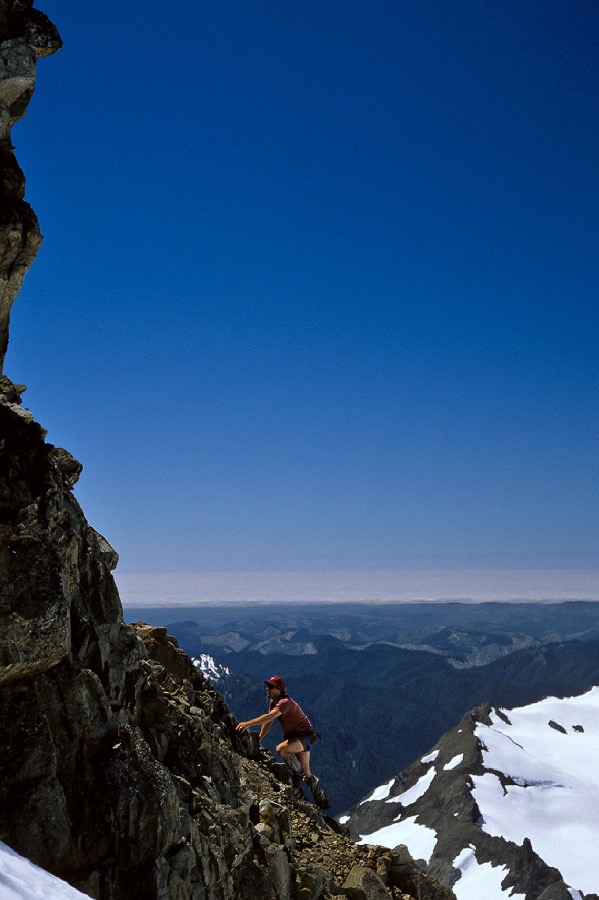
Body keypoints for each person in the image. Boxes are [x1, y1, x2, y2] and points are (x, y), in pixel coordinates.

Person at [235, 675, 330, 809]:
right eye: (267, 687)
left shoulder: (284, 702)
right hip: (301, 737)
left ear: (279, 689)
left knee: (281, 749)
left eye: (270, 687)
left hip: (305, 736)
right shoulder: (274, 701)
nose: (267, 689)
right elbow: (268, 721)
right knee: (307, 773)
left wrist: (248, 724)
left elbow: (268, 717)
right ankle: (322, 800)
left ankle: (299, 775)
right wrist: (260, 737)